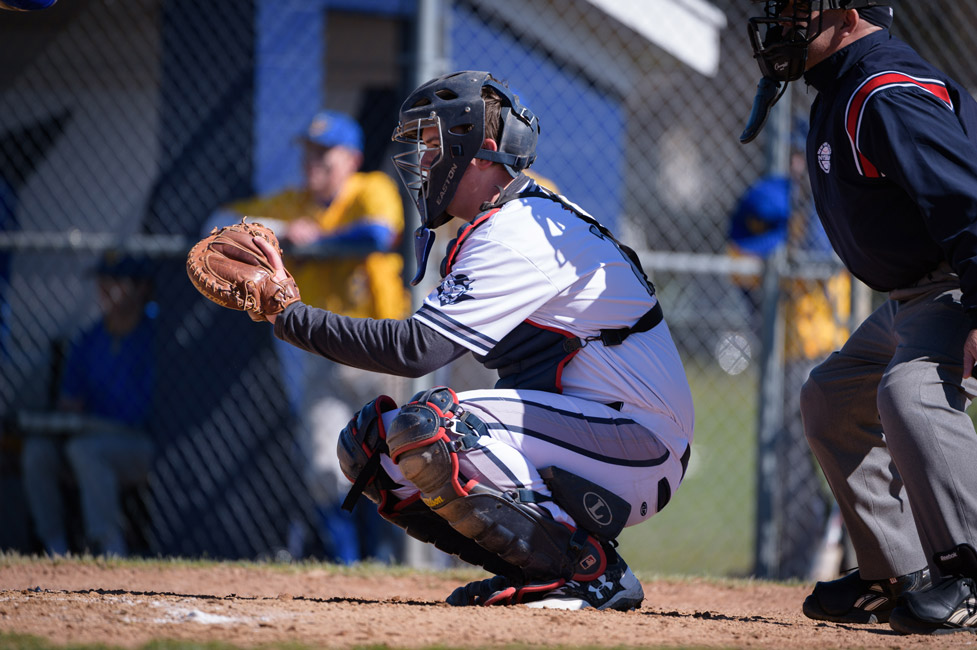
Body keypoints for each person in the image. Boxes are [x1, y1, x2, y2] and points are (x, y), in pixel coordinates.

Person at [240, 70, 694, 610]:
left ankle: (587, 572)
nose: (422, 161)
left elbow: (416, 351)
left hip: (636, 439)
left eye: (434, 144)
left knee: (429, 428)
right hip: (596, 427)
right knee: (371, 444)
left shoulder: (519, 227)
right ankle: (535, 567)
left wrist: (289, 315)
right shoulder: (505, 217)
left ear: (479, 150)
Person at [744, 0, 977, 635]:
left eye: (798, 11)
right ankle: (897, 572)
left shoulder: (884, 91)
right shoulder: (842, 84)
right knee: (832, 397)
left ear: (847, 16)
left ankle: (970, 572)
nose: (782, 25)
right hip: (914, 296)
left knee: (913, 392)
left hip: (959, 284)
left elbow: (968, 200)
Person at [209, 110, 409, 564]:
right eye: (309, 153)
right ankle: (348, 566)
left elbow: (377, 235)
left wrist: (315, 242)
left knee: (391, 463)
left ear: (352, 157)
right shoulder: (294, 203)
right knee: (325, 464)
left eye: (326, 153)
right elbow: (219, 222)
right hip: (321, 350)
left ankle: (387, 563)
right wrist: (281, 233)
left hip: (380, 347)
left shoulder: (370, 188)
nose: (314, 162)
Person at [727, 173, 849, 581]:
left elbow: (819, 252)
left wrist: (801, 220)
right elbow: (741, 267)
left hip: (824, 350)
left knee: (840, 463)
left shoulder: (823, 205)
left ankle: (851, 562)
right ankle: (796, 566)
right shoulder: (765, 202)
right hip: (787, 357)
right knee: (792, 466)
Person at [20, 253, 156, 556]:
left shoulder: (155, 337)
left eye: (116, 282)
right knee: (38, 452)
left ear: (142, 288)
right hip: (87, 439)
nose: (105, 290)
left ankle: (109, 549)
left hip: (140, 445)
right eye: (102, 282)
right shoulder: (89, 339)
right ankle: (55, 550)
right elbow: (70, 402)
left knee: (86, 450)